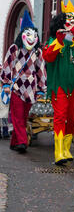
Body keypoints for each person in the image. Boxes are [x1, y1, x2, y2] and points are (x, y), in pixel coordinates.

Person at [42, 0, 74, 165]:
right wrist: (60, 39)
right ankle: (58, 151)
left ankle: (66, 149)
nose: (72, 25)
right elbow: (47, 56)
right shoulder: (54, 40)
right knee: (60, 116)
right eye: (70, 21)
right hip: (59, 85)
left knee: (72, 118)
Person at [1, 10, 47, 153]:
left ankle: (14, 142)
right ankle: (22, 142)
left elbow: (41, 71)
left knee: (23, 117)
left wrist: (41, 89)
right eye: (28, 34)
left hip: (31, 91)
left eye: (33, 34)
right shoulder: (14, 49)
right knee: (17, 117)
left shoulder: (38, 53)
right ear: (22, 35)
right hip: (16, 88)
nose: (31, 37)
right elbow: (7, 66)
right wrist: (6, 83)